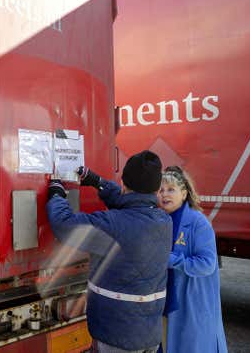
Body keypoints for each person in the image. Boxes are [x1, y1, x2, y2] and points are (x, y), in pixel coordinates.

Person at [46, 150, 172, 352]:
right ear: (156, 189)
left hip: (116, 335)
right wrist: (97, 182)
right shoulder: (163, 220)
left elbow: (64, 225)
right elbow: (133, 204)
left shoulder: (113, 224)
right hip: (149, 333)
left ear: (123, 184)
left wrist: (56, 194)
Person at [158, 166, 228, 353]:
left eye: (171, 189)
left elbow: (207, 264)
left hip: (193, 303)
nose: (164, 194)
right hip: (166, 304)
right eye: (161, 190)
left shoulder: (199, 222)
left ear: (184, 193)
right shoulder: (161, 220)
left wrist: (171, 260)